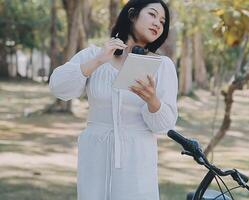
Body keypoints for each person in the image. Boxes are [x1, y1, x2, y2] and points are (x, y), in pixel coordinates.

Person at [49, 0, 178, 199]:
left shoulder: (162, 66)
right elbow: (58, 87)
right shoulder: (94, 54)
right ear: (133, 15)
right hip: (94, 155)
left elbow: (164, 125)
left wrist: (152, 100)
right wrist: (99, 59)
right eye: (152, 15)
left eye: (163, 21)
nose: (158, 24)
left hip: (137, 158)